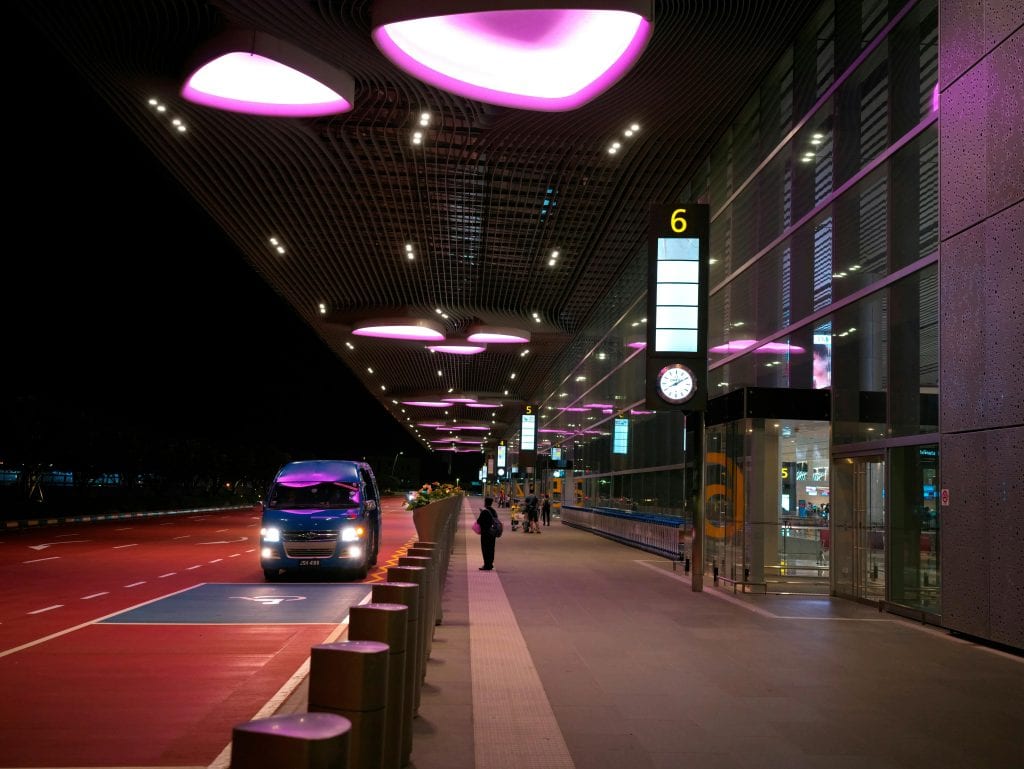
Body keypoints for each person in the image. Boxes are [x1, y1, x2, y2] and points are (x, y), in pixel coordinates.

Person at [476, 496, 499, 570]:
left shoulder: (484, 511)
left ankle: (486, 565)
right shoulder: (494, 511)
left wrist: (481, 513)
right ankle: (490, 563)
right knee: (491, 548)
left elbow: (478, 521)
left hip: (485, 533)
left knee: (485, 549)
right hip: (492, 533)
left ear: (485, 503)